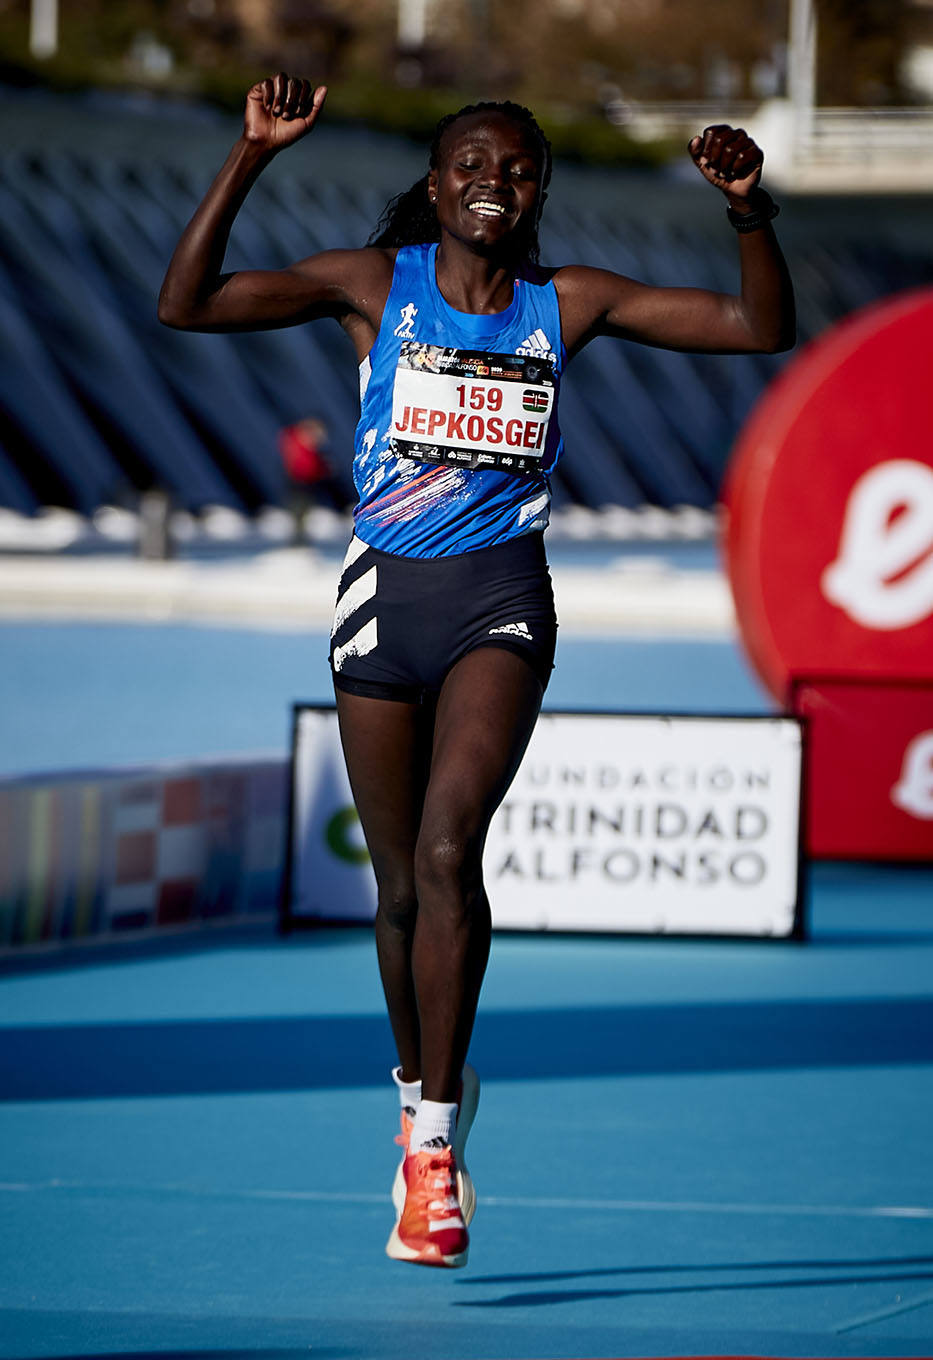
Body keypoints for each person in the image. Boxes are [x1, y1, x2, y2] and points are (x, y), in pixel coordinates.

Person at [159, 73, 795, 1270]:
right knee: (400, 891)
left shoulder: (572, 303)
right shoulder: (369, 285)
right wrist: (251, 155)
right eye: (470, 165)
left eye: (514, 167)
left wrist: (750, 212)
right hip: (379, 608)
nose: (491, 182)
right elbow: (184, 304)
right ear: (438, 187)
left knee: (454, 849)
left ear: (537, 187)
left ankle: (437, 1154)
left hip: (501, 601)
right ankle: (418, 1091)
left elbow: (761, 330)